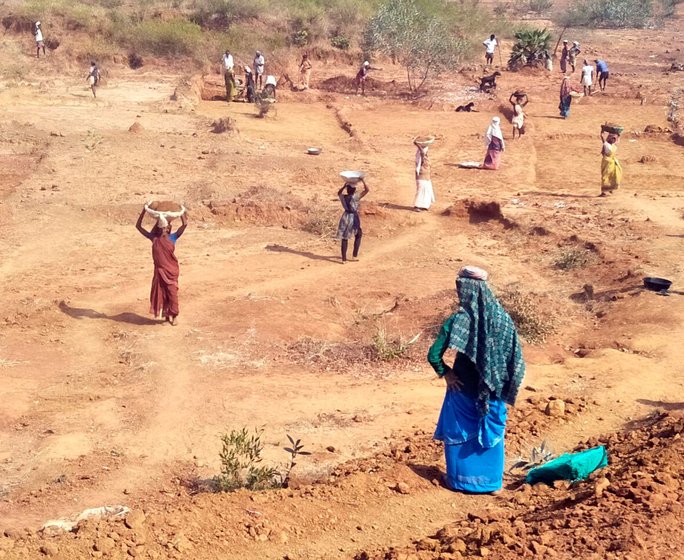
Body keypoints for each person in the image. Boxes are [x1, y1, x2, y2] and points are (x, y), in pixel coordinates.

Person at [428, 266, 525, 493]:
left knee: (459, 434)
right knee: (492, 433)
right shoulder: (503, 320)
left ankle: (460, 482)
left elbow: (433, 354)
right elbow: (514, 357)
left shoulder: (459, 321)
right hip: (494, 392)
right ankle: (491, 484)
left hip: (462, 390)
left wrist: (447, 373)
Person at [136, 205, 188, 325]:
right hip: (159, 272)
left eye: (166, 228)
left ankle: (174, 316)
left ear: (169, 228)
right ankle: (166, 317)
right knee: (162, 294)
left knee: (172, 293)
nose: (164, 230)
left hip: (171, 271)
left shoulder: (173, 237)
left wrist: (182, 211)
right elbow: (138, 227)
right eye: (162, 228)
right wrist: (143, 211)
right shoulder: (154, 238)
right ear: (159, 229)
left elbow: (184, 225)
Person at [336, 179, 369, 263]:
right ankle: (354, 255)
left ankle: (344, 259)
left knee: (344, 237)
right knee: (358, 234)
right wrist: (363, 181)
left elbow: (339, 193)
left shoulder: (343, 197)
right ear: (354, 190)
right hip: (353, 218)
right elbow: (367, 190)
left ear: (347, 190)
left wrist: (344, 186)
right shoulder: (355, 197)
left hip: (345, 216)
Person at [414, 139, 435, 212]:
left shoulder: (425, 157)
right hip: (421, 175)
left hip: (426, 176)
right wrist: (418, 145)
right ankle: (417, 206)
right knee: (421, 191)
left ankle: (424, 206)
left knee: (426, 191)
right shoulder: (422, 157)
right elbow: (422, 152)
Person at [600, 132, 622, 196]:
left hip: (612, 162)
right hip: (606, 162)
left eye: (615, 139)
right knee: (605, 176)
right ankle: (603, 191)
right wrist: (601, 135)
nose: (614, 140)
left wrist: (618, 134)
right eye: (613, 138)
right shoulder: (606, 145)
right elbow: (604, 143)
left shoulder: (613, 145)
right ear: (610, 138)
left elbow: (617, 139)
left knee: (613, 175)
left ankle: (610, 188)